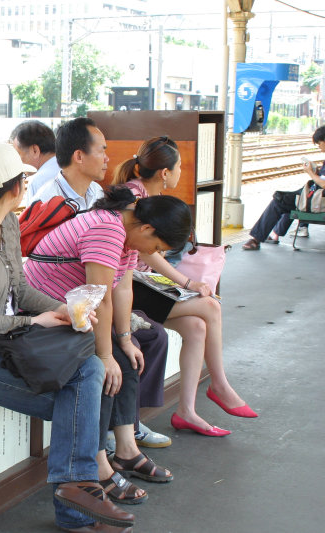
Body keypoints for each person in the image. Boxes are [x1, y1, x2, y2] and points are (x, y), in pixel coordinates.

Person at [0, 142, 135, 532]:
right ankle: (79, 495)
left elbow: (20, 290)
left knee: (90, 369)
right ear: (14, 188)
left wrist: (61, 307)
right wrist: (33, 323)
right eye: (23, 179)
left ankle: (78, 491)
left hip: (4, 340)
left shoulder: (6, 223)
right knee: (78, 393)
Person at [24, 186, 186, 505]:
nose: (153, 253)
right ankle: (98, 465)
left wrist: (123, 340)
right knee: (100, 370)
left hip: (74, 312)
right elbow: (101, 298)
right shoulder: (108, 230)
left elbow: (122, 291)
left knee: (125, 359)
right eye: (156, 246)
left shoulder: (126, 231)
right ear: (147, 228)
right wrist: (106, 354)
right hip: (41, 314)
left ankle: (125, 450)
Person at [112, 136, 258, 437]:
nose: (180, 172)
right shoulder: (133, 196)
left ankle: (186, 411)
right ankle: (219, 385)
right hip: (130, 284)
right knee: (209, 306)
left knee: (196, 327)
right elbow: (145, 252)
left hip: (144, 282)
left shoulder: (143, 194)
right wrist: (189, 282)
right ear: (165, 172)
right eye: (178, 167)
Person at [242, 126, 325, 250]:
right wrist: (317, 173)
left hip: (319, 200)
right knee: (288, 199)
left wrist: (311, 173)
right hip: (315, 196)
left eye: (319, 143)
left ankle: (256, 239)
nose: (319, 146)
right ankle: (275, 233)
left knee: (279, 200)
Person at [30, 117, 105, 210]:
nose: (106, 159)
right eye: (101, 151)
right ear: (79, 156)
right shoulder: (46, 202)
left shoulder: (97, 191)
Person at [9, 120, 60, 203]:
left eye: (18, 154)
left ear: (35, 150)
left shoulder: (38, 181)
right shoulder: (70, 168)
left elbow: (33, 216)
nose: (17, 162)